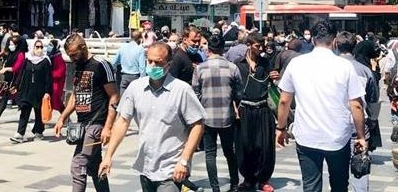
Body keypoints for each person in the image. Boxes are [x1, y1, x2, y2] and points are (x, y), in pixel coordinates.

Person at [99, 42, 205, 192]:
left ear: (169, 64)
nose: (153, 65)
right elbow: (122, 121)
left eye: (158, 62)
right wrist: (108, 156)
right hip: (146, 167)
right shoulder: (135, 88)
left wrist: (184, 160)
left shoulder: (182, 90)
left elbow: (198, 125)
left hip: (171, 169)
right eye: (150, 61)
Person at [276, 21, 367, 192]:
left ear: (312, 40)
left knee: (311, 186)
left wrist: (281, 128)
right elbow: (356, 105)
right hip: (338, 137)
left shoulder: (296, 64)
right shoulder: (345, 66)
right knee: (340, 186)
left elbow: (284, 100)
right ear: (334, 41)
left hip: (307, 136)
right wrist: (361, 136)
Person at [54, 34, 118, 192]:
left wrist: (108, 127)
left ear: (83, 48)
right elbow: (75, 96)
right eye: (69, 55)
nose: (72, 58)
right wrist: (62, 118)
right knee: (95, 167)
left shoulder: (100, 65)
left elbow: (114, 96)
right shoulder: (78, 66)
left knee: (78, 164)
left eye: (74, 54)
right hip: (82, 124)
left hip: (96, 124)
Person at [192, 34, 242, 192]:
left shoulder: (199, 68)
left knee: (210, 154)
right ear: (222, 48)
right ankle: (234, 184)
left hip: (207, 118)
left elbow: (195, 93)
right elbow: (239, 93)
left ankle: (215, 188)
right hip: (227, 117)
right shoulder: (232, 68)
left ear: (209, 49)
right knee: (230, 152)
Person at [234, 32, 279, 192]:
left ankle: (263, 179)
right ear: (249, 45)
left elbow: (272, 81)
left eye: (262, 46)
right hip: (244, 110)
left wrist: (275, 77)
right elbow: (232, 88)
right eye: (257, 46)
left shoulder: (265, 62)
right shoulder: (238, 64)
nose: (260, 49)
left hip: (263, 109)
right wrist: (234, 108)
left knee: (264, 146)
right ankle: (248, 179)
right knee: (245, 145)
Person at [335, 31, 380, 192]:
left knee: (336, 170)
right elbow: (373, 99)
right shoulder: (365, 70)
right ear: (355, 47)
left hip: (334, 124)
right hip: (359, 125)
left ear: (336, 45)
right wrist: (373, 119)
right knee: (359, 166)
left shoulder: (329, 68)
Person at [11, 39, 52, 143]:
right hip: (27, 89)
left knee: (38, 112)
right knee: (24, 111)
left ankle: (38, 132)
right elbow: (21, 73)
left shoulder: (45, 61)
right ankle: (20, 133)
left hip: (40, 91)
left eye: (41, 47)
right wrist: (16, 85)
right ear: (32, 48)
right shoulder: (27, 59)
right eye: (37, 47)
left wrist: (47, 92)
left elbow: (48, 78)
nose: (39, 49)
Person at [0, 36, 26, 124]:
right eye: (10, 44)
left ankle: (25, 115)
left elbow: (17, 68)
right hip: (8, 79)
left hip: (15, 80)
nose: (10, 46)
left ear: (17, 45)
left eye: (12, 44)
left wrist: (6, 69)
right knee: (5, 98)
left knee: (18, 99)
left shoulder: (20, 54)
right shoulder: (11, 54)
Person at [112, 30, 146, 94]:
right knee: (135, 97)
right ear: (140, 39)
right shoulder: (140, 49)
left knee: (123, 98)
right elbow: (142, 67)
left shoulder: (123, 47)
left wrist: (114, 69)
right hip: (135, 77)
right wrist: (143, 80)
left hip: (124, 77)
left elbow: (114, 62)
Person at [48, 38, 67, 117]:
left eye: (51, 45)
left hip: (57, 83)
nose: (49, 47)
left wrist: (50, 74)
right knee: (52, 101)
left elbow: (60, 72)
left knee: (56, 101)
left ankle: (65, 116)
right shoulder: (50, 56)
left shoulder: (58, 57)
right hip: (51, 82)